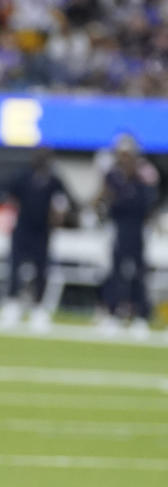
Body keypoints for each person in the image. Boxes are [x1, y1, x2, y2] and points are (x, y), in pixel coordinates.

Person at [0, 148, 73, 331]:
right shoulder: (23, 177)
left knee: (41, 270)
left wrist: (58, 216)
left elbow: (63, 203)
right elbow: (7, 196)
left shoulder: (54, 181)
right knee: (15, 266)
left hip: (42, 231)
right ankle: (12, 304)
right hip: (23, 228)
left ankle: (38, 308)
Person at [96, 135, 159, 338]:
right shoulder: (112, 176)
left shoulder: (144, 176)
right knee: (114, 272)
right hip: (118, 228)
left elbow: (150, 204)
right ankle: (113, 313)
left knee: (137, 273)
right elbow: (102, 200)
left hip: (137, 229)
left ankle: (140, 315)